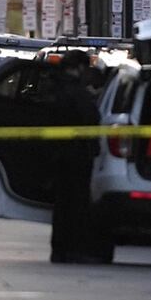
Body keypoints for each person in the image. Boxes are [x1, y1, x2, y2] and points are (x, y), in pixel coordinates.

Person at [49, 49, 103, 263]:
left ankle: (59, 249)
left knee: (61, 204)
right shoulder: (76, 91)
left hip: (58, 154)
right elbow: (92, 117)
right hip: (76, 155)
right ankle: (72, 248)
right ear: (80, 67)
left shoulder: (53, 87)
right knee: (76, 204)